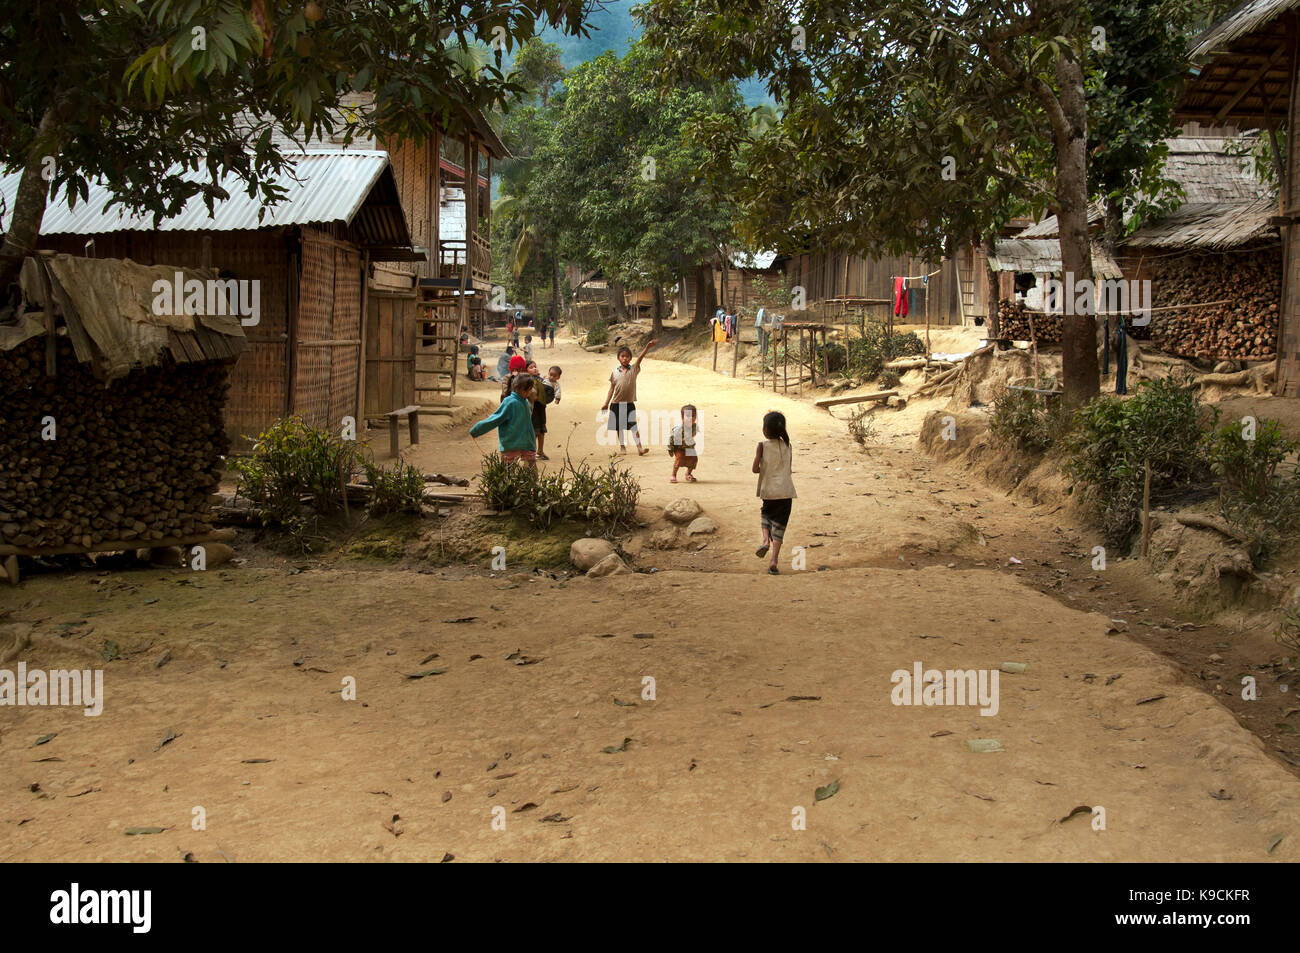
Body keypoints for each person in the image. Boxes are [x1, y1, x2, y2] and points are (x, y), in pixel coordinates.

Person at [752, 411, 796, 575]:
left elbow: (755, 469)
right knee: (780, 526)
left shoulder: (762, 446)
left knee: (766, 516)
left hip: (769, 492)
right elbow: (789, 470)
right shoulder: (788, 446)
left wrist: (762, 461)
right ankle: (774, 561)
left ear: (765, 430)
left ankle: (765, 540)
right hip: (786, 491)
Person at [601, 338, 657, 455]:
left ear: (630, 358)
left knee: (633, 426)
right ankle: (622, 447)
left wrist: (647, 347)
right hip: (616, 403)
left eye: (627, 356)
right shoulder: (615, 372)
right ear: (618, 358)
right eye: (622, 356)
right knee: (619, 427)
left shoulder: (634, 369)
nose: (625, 358)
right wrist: (606, 403)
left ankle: (640, 448)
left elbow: (640, 358)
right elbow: (611, 389)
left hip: (629, 404)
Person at [470, 373, 537, 466]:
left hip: (527, 444)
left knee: (531, 472)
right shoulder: (509, 402)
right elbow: (495, 419)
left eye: (530, 389)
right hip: (511, 444)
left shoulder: (525, 401)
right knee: (509, 472)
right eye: (527, 390)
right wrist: (477, 429)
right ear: (517, 388)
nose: (529, 392)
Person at [525, 360, 556, 460]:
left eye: (535, 366)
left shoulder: (541, 380)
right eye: (531, 367)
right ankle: (530, 453)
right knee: (533, 431)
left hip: (541, 409)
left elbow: (549, 391)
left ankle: (540, 451)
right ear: (525, 371)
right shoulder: (526, 381)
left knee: (542, 430)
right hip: (531, 410)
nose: (534, 368)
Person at [667, 404, 700, 484]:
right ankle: (673, 475)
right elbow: (671, 438)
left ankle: (688, 473)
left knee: (694, 459)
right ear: (682, 418)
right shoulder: (678, 429)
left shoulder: (694, 427)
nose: (691, 418)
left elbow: (692, 435)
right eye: (688, 416)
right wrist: (670, 449)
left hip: (689, 447)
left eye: (693, 416)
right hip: (679, 447)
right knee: (678, 461)